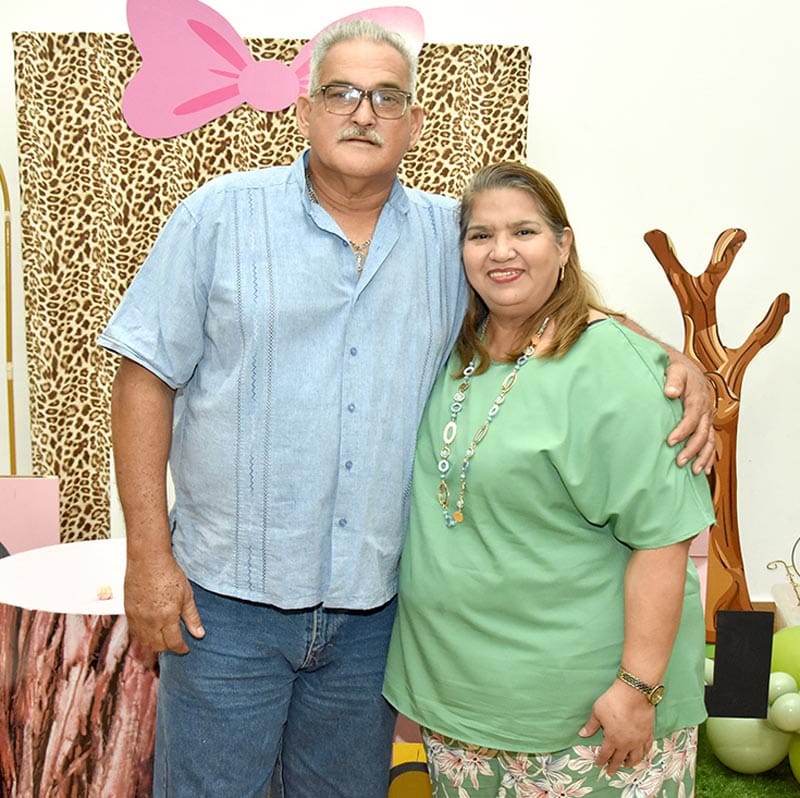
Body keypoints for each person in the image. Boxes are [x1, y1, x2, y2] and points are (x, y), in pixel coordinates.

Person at [99, 20, 714, 798]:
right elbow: (144, 377)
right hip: (224, 608)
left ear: (413, 123)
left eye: (387, 97)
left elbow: (544, 297)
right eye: (342, 93)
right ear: (304, 111)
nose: (364, 112)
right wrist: (148, 559)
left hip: (373, 619)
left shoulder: (449, 240)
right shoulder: (217, 218)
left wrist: (674, 359)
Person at [382, 161, 716, 797]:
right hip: (461, 704)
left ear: (564, 246)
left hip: (585, 716)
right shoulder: (454, 347)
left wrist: (637, 688)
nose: (500, 251)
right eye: (480, 235)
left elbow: (663, 537)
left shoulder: (610, 364)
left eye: (524, 232)